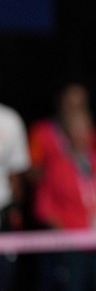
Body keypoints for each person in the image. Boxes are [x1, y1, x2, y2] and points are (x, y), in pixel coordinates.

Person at [33, 92, 96, 291]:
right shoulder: (56, 165)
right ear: (67, 133)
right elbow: (44, 207)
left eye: (87, 127)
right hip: (73, 246)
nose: (84, 133)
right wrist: (66, 236)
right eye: (78, 128)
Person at [0, 102, 29, 289]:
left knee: (5, 274)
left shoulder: (9, 120)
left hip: (2, 213)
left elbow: (16, 172)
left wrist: (15, 209)